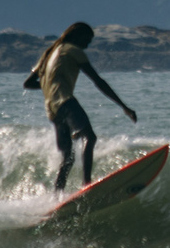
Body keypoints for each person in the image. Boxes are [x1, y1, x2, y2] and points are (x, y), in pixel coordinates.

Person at [23, 21, 137, 191]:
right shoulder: (73, 50)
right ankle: (87, 184)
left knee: (68, 157)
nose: (88, 44)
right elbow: (98, 81)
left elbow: (28, 83)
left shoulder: (49, 54)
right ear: (77, 36)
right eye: (87, 39)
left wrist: (51, 84)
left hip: (52, 110)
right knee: (89, 137)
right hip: (65, 102)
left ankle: (57, 193)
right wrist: (123, 106)